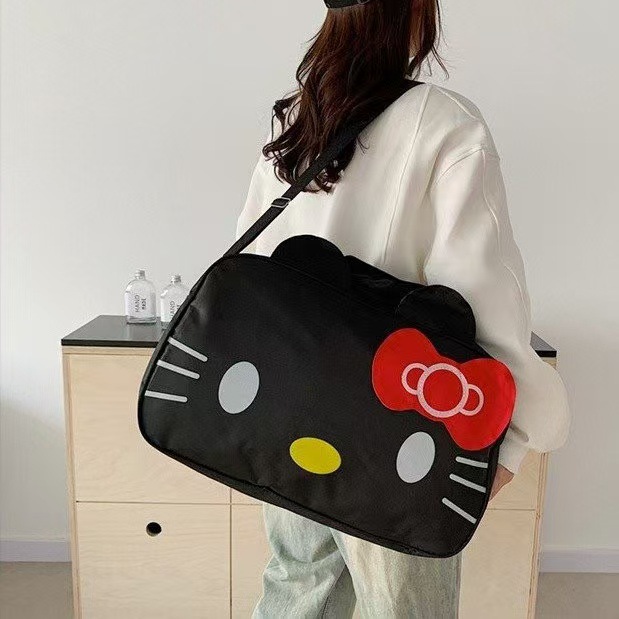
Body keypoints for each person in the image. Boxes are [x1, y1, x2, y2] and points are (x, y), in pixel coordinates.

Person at [235, 1, 571, 616]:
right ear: (415, 12)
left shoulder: (299, 121)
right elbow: (480, 292)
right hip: (395, 432)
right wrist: (513, 439)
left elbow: (257, 270)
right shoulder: (446, 125)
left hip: (289, 410)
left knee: (297, 589)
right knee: (404, 608)